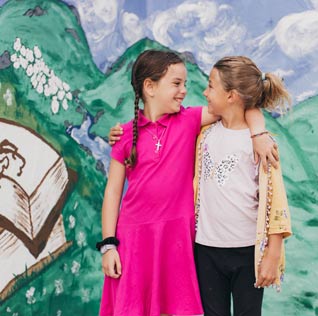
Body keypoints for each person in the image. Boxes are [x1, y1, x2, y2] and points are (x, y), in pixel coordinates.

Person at [98, 50, 277, 316]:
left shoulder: (190, 120)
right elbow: (113, 193)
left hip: (176, 242)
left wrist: (259, 131)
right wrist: (108, 245)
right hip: (134, 241)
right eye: (176, 83)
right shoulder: (124, 135)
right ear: (149, 87)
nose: (184, 90)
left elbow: (239, 104)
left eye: (185, 84)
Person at [193, 56, 292, 316]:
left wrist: (273, 253)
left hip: (247, 252)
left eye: (211, 86)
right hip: (206, 249)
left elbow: (276, 201)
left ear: (232, 96)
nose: (205, 92)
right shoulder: (204, 135)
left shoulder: (261, 144)